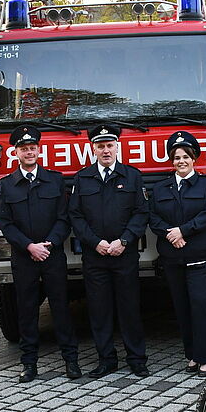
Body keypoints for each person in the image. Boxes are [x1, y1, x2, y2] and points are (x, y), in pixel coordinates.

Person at [0, 125, 80, 383]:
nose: (29, 152)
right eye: (24, 149)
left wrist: (49, 244)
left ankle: (71, 360)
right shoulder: (6, 185)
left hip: (52, 255)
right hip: (24, 257)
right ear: (16, 153)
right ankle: (29, 363)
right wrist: (29, 247)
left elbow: (64, 218)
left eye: (32, 148)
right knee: (27, 310)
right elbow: (5, 223)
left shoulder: (55, 180)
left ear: (39, 150)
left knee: (60, 307)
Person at [70, 124, 150, 378]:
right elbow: (76, 216)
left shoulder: (132, 176)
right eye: (100, 146)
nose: (106, 150)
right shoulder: (82, 178)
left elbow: (141, 213)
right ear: (93, 149)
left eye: (109, 145)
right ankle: (106, 359)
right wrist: (95, 242)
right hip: (95, 256)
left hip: (124, 254)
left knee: (130, 308)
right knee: (99, 310)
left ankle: (136, 359)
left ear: (117, 147)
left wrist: (124, 241)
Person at [149, 131, 206, 377]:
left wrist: (183, 230)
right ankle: (191, 355)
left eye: (185, 157)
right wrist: (170, 234)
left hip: (202, 257)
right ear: (172, 161)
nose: (181, 161)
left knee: (200, 304)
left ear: (194, 159)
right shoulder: (161, 188)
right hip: (173, 258)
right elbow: (153, 216)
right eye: (176, 157)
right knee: (182, 308)